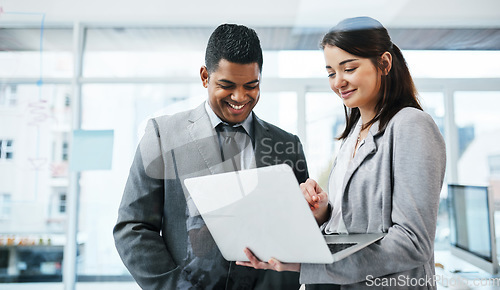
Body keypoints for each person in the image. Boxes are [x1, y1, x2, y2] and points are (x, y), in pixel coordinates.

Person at [237, 16, 446, 290]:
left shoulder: (411, 125)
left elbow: (411, 243)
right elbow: (352, 226)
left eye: (349, 68)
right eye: (331, 72)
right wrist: (324, 210)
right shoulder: (354, 133)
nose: (338, 82)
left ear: (384, 63)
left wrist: (307, 263)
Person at [113, 24, 309, 289]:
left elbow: (301, 233)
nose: (240, 97)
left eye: (251, 86)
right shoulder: (162, 136)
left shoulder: (287, 145)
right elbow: (133, 228)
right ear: (205, 77)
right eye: (227, 85)